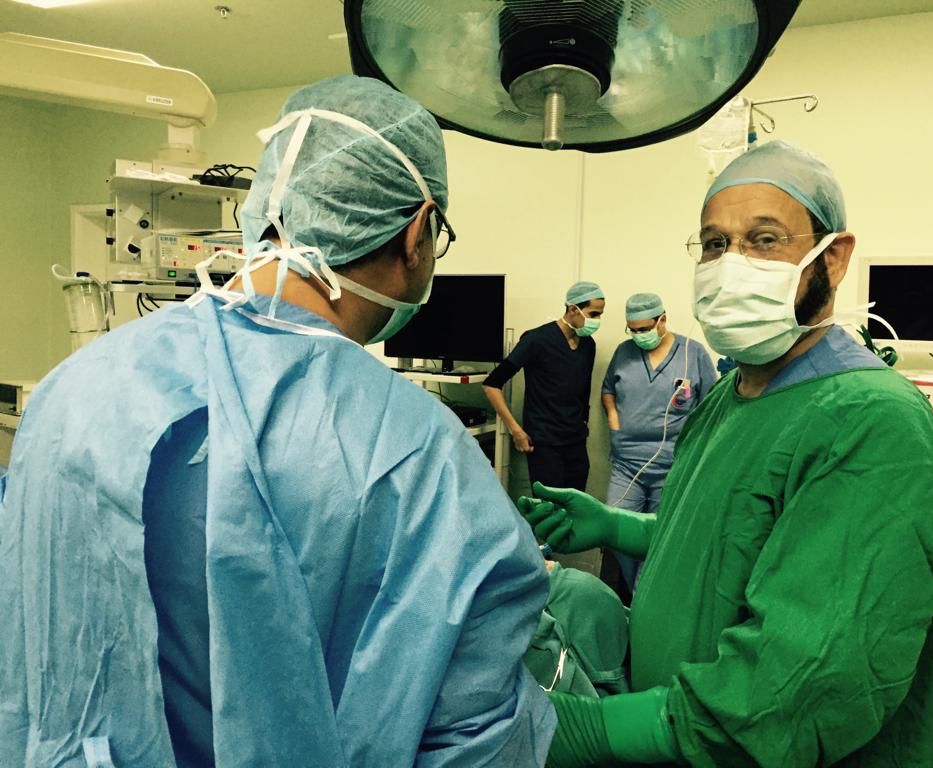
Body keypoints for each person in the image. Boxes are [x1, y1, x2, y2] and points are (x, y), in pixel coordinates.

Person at [0, 76, 555, 767]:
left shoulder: (74, 386)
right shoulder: (423, 459)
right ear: (417, 234)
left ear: (266, 207)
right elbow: (475, 739)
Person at [519, 141, 933, 767]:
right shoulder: (730, 396)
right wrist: (619, 526)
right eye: (714, 244)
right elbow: (728, 539)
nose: (731, 263)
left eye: (764, 240)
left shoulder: (873, 425)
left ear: (834, 257)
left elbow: (802, 688)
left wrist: (596, 731)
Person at [601, 292, 716, 593]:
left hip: (672, 465)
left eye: (644, 328)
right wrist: (614, 419)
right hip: (626, 464)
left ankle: (644, 598)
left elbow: (711, 406)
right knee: (614, 530)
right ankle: (636, 591)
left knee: (661, 538)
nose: (639, 335)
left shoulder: (693, 354)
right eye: (633, 330)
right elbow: (608, 390)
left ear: (662, 320)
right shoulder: (624, 352)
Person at [483, 281, 605, 491]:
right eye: (593, 314)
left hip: (575, 441)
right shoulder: (536, 340)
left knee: (577, 503)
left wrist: (583, 420)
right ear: (573, 309)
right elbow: (492, 385)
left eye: (600, 315)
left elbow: (583, 388)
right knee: (549, 506)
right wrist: (516, 430)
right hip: (545, 442)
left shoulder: (588, 345)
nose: (597, 321)